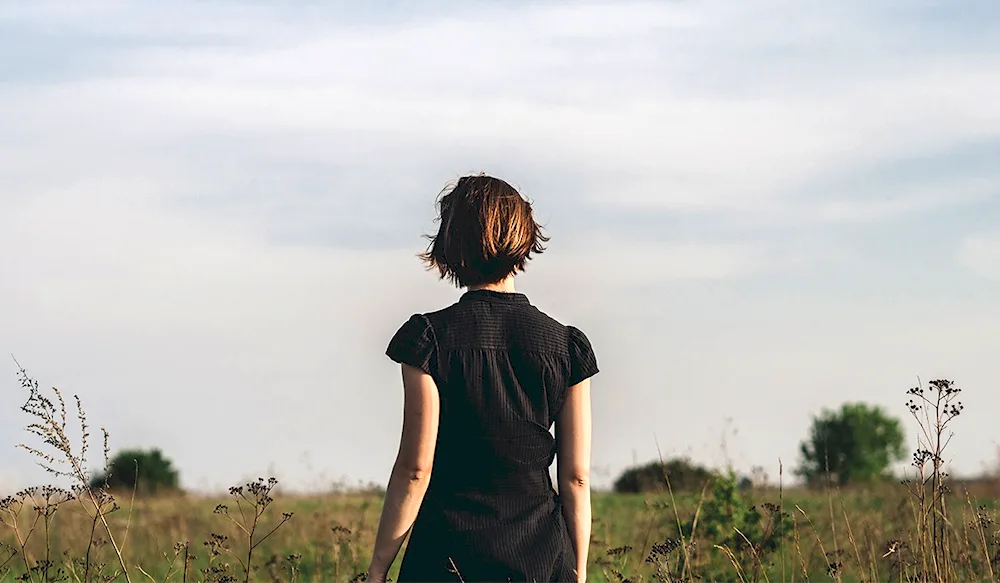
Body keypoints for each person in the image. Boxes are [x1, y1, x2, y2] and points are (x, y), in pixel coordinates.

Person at [365, 174, 599, 583]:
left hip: (445, 557)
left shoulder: (427, 340)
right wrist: (577, 570)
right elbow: (576, 477)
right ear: (524, 238)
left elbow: (415, 470)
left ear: (450, 245)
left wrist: (378, 569)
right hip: (541, 559)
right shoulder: (567, 347)